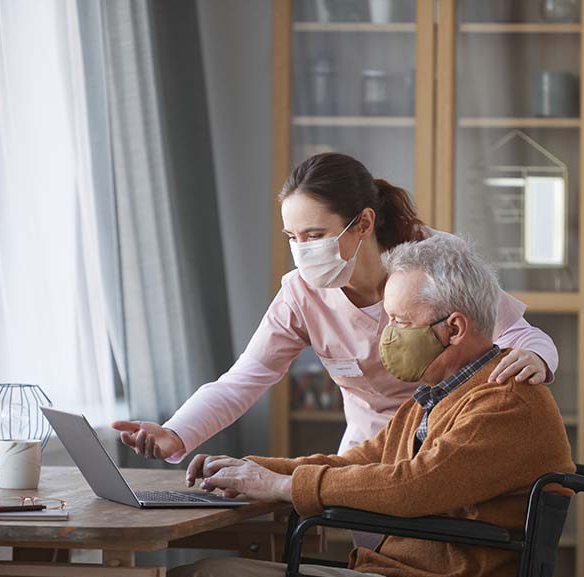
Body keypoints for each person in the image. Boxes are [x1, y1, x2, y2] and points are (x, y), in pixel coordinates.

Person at [152, 235, 575, 577]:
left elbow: (415, 485)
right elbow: (362, 462)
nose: (386, 336)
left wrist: (282, 488)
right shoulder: (434, 398)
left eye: (398, 321)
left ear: (453, 328)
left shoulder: (505, 402)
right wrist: (254, 469)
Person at [113, 153, 559, 463]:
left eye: (314, 235)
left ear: (363, 223)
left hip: (448, 437)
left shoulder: (433, 259)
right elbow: (242, 381)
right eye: (293, 238)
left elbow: (520, 334)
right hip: (368, 445)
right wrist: (175, 433)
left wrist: (535, 358)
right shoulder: (301, 293)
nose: (303, 250)